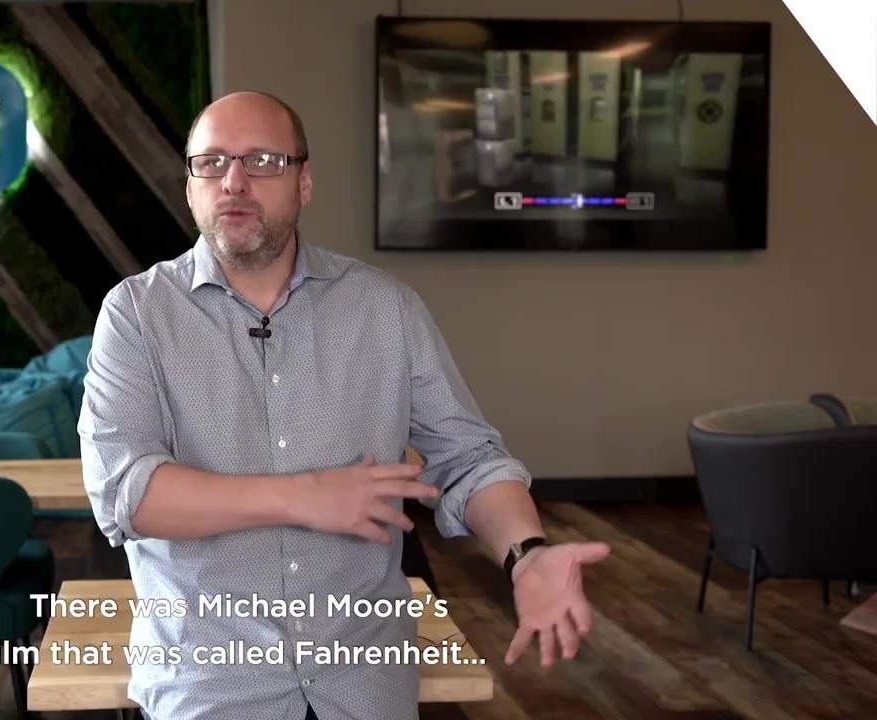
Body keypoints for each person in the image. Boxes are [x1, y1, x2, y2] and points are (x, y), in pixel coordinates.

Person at [78, 91, 610, 720]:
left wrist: (526, 554)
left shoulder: (386, 308)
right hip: (211, 684)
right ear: (191, 187)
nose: (234, 182)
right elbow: (127, 493)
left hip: (364, 681)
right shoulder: (136, 314)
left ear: (304, 182)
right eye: (212, 163)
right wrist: (302, 496)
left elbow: (469, 459)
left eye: (263, 161)